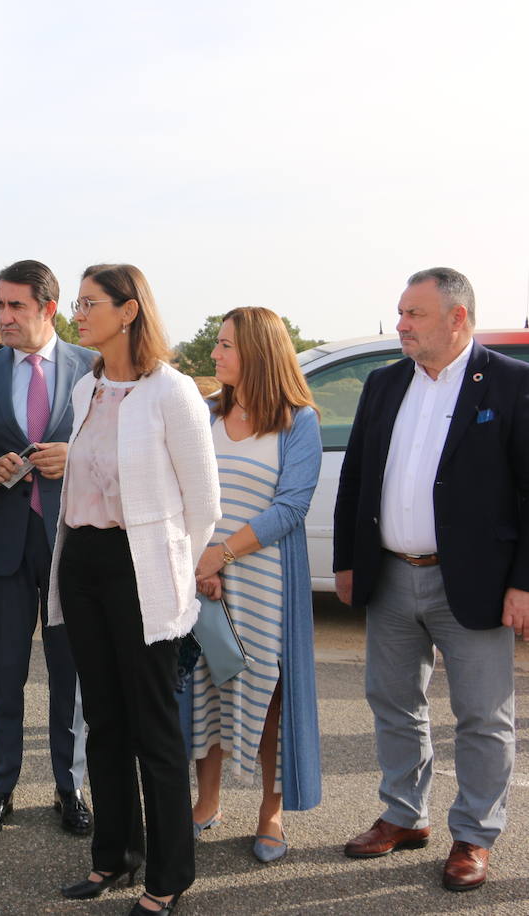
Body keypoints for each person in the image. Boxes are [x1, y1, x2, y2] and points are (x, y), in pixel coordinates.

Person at [334, 267, 529, 892]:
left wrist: (523, 582)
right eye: (401, 312)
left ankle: (474, 833)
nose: (402, 325)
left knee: (482, 716)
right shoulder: (386, 383)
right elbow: (356, 478)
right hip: (390, 574)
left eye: (414, 314)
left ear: (457, 318)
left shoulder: (510, 383)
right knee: (393, 702)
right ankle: (404, 814)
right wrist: (347, 560)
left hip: (473, 581)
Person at [50, 263, 219, 915]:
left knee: (154, 728)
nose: (78, 313)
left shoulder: (171, 391)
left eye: (89, 303)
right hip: (84, 560)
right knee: (104, 719)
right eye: (78, 302)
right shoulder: (87, 388)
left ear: (128, 312)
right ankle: (114, 855)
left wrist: (173, 563)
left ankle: (169, 876)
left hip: (143, 568)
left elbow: (203, 501)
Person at [0, 259, 94, 838]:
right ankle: (0, 787)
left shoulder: (96, 367)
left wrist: (79, 461)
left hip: (75, 544)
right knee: (3, 673)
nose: (4, 316)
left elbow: (125, 453)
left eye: (16, 306)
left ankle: (71, 787)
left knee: (71, 677)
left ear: (49, 309)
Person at [183, 306, 322, 865]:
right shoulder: (206, 413)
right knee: (203, 690)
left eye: (224, 346)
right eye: (216, 344)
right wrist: (200, 563)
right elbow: (183, 490)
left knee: (267, 699)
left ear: (259, 352)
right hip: (203, 579)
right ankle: (205, 802)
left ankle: (271, 812)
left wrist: (223, 554)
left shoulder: (298, 420)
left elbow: (292, 505)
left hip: (263, 582)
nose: (214, 355)